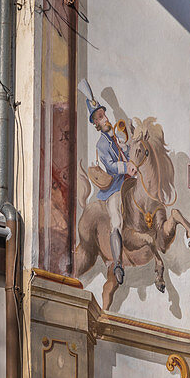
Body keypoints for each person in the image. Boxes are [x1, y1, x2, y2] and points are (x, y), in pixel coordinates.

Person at [80, 80, 137, 284]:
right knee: (117, 220)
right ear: (95, 124)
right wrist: (126, 166)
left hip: (130, 180)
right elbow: (112, 166)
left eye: (103, 115)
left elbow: (128, 153)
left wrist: (131, 141)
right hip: (114, 188)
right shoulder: (102, 144)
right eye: (99, 118)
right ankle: (118, 263)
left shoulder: (115, 136)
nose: (104, 119)